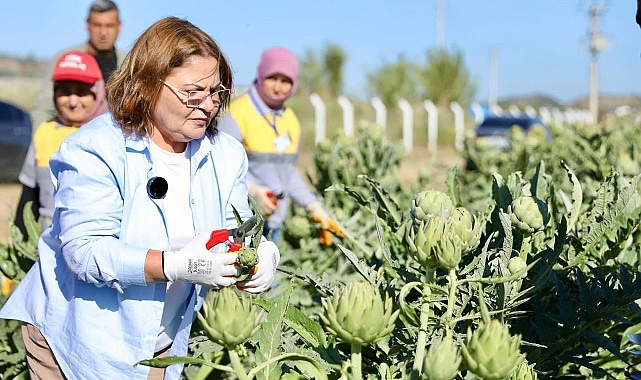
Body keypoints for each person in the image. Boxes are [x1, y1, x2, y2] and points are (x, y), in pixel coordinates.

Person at [0, 17, 280, 380]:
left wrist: (262, 255)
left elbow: (238, 229)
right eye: (193, 92)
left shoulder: (225, 154)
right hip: (80, 332)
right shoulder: (94, 149)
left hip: (160, 337)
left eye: (216, 92)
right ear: (147, 84)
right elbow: (84, 252)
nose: (208, 105)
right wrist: (176, 265)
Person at [217, 47, 343, 245]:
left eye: (285, 81)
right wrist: (251, 191)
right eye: (272, 78)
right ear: (260, 75)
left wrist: (313, 206)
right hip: (238, 227)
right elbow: (218, 168)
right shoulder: (236, 114)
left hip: (274, 225)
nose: (278, 87)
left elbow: (288, 174)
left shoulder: (290, 121)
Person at [14, 50, 109, 239]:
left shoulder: (113, 134)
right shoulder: (44, 133)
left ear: (97, 93)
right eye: (64, 92)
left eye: (82, 93)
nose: (73, 102)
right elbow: (28, 201)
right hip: (49, 253)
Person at [30, 0, 124, 129]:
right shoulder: (66, 59)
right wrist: (41, 142)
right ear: (87, 25)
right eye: (97, 25)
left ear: (119, 26)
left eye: (109, 26)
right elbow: (43, 109)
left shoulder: (128, 63)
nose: (103, 33)